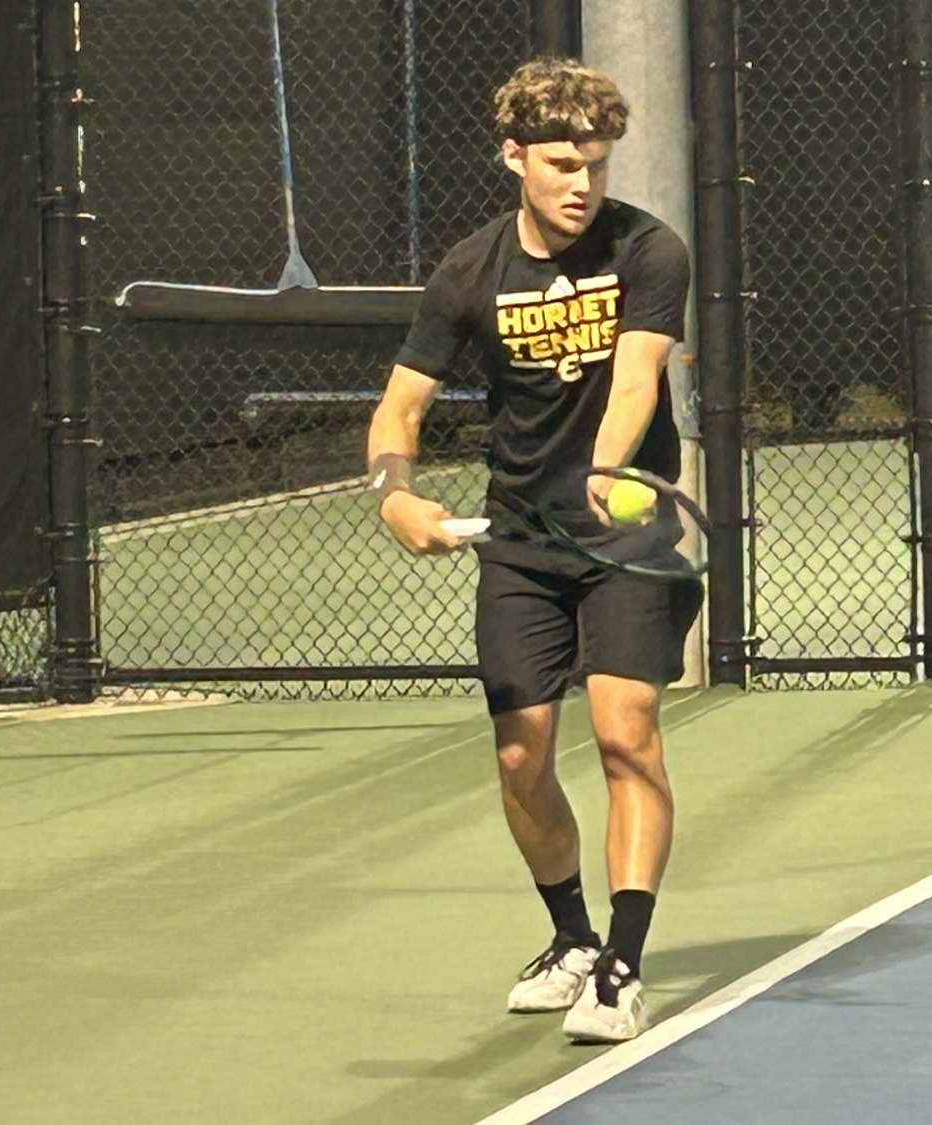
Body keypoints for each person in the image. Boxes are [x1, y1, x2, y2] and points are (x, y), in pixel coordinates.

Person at [365, 58, 698, 1044]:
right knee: (520, 756)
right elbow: (400, 407)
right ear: (512, 157)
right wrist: (396, 497)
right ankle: (569, 940)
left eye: (593, 163)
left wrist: (602, 471)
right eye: (559, 163)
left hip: (626, 534)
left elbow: (637, 378)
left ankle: (622, 968)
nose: (580, 183)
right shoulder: (468, 272)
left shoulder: (647, 248)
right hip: (517, 544)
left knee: (626, 731)